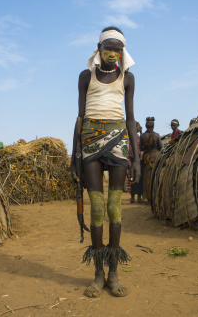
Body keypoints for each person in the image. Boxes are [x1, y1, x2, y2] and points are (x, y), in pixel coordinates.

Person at [71, 26, 140, 298]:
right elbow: (79, 116)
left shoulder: (128, 78)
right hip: (89, 142)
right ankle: (98, 275)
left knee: (114, 206)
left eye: (118, 49)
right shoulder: (85, 77)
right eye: (107, 48)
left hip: (119, 142)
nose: (113, 53)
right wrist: (75, 155)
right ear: (98, 49)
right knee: (97, 208)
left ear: (124, 51)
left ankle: (114, 274)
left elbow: (131, 117)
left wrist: (134, 156)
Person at [140, 117, 163, 204]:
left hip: (146, 158)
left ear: (146, 126)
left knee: (147, 178)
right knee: (156, 176)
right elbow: (161, 147)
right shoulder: (157, 135)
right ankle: (155, 196)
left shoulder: (142, 136)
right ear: (153, 126)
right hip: (156, 157)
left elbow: (141, 148)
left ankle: (148, 197)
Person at [128, 121, 143, 203]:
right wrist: (129, 160)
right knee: (132, 178)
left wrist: (141, 132)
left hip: (137, 160)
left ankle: (138, 198)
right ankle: (133, 197)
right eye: (139, 126)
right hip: (133, 160)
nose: (140, 128)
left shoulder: (138, 137)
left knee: (138, 179)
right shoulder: (131, 137)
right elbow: (128, 149)